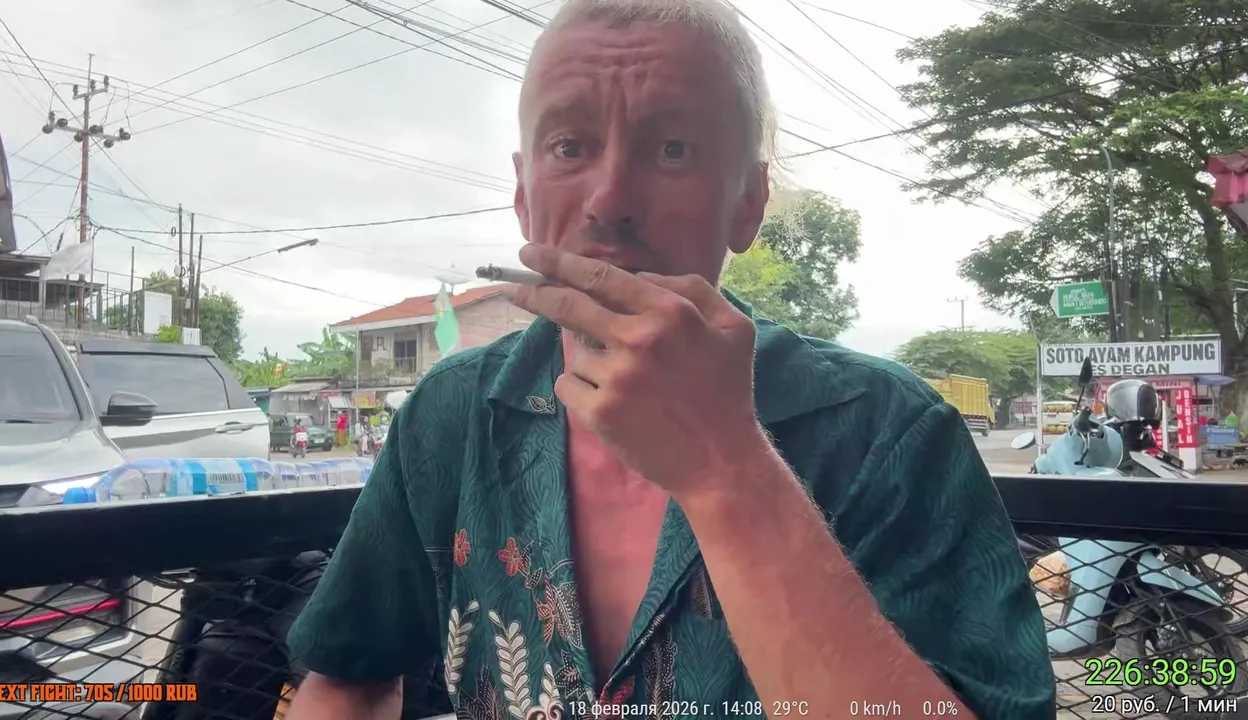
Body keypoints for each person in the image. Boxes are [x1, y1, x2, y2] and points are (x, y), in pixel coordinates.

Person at [286, 0, 1056, 718]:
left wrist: (728, 470)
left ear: (748, 201)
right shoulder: (449, 412)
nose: (609, 200)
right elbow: (348, 677)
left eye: (673, 148)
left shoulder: (892, 430)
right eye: (569, 146)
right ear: (523, 194)